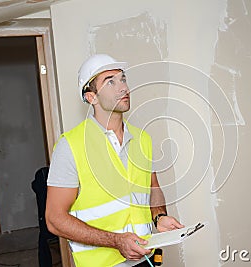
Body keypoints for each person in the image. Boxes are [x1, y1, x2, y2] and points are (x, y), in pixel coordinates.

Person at [45, 54, 184, 267]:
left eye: (123, 79)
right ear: (91, 97)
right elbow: (54, 220)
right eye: (110, 81)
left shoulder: (142, 139)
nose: (123, 88)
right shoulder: (70, 146)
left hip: (148, 258)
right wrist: (116, 241)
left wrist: (159, 217)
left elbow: (153, 189)